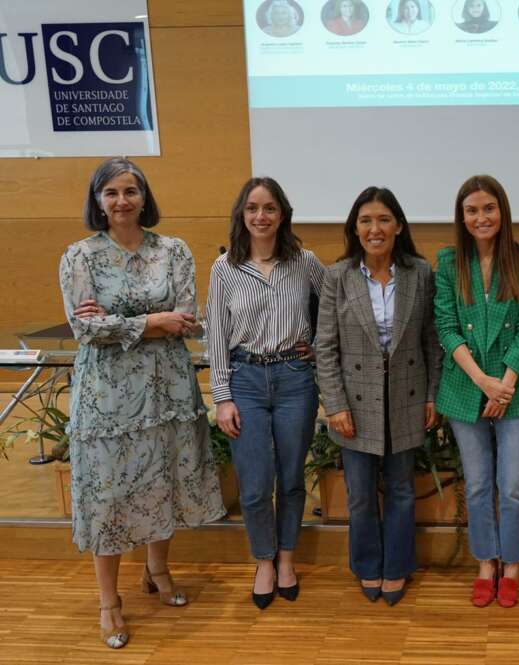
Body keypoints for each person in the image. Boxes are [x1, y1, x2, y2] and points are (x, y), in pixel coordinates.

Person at [59, 158, 225, 649]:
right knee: (108, 494)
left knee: (162, 480)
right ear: (97, 201)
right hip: (107, 398)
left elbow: (189, 319)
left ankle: (157, 571)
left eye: (130, 191)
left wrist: (122, 320)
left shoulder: (172, 250)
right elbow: (85, 328)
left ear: (144, 197)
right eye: (110, 193)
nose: (122, 201)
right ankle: (109, 601)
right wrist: (154, 321)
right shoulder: (80, 256)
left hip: (167, 390)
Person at [314, 187, 441, 606]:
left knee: (402, 489)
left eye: (384, 219)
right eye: (366, 220)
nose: (375, 228)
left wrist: (432, 395)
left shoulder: (421, 273)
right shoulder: (338, 276)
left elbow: (431, 341)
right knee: (361, 492)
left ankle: (397, 566)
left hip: (407, 397)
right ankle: (368, 565)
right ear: (355, 227)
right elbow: (325, 347)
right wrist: (334, 405)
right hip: (354, 403)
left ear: (399, 226)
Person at [207, 177, 325, 610]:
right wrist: (222, 397)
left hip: (295, 378)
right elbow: (216, 335)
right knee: (256, 485)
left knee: (292, 479)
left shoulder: (305, 262)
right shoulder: (225, 268)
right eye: (253, 207)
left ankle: (288, 558)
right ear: (242, 214)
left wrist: (319, 345)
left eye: (270, 208)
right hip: (246, 381)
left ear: (282, 214)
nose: (261, 216)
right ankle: (264, 562)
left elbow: (335, 305)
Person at [434, 175, 519, 608]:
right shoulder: (448, 262)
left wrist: (504, 383)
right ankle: (486, 562)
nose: (480, 217)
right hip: (466, 388)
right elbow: (445, 328)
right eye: (471, 210)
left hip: (515, 388)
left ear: (502, 211)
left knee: (513, 485)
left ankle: (513, 566)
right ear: (461, 217)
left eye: (488, 208)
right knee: (480, 484)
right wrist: (483, 382)